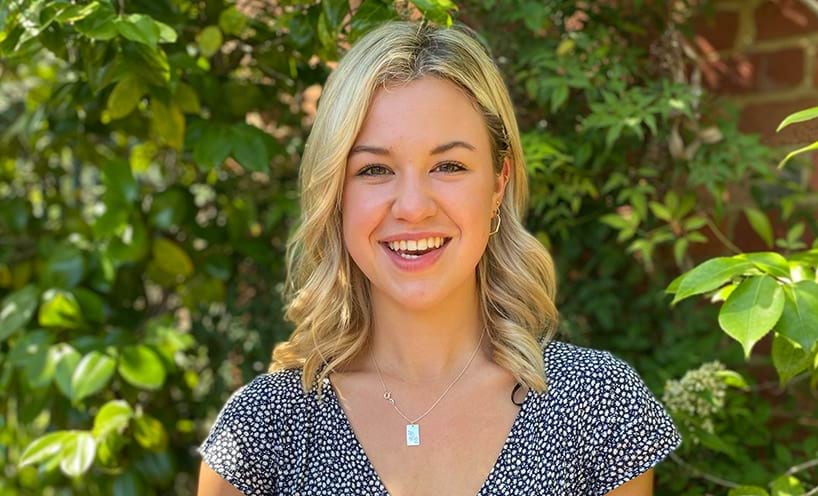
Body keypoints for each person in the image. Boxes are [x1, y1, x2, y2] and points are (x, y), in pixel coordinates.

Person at [197, 20, 681, 496]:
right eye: (375, 169)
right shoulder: (263, 432)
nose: (412, 207)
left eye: (448, 166)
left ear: (497, 183)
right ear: (335, 193)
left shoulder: (599, 407)